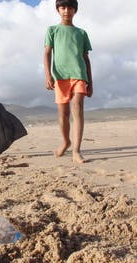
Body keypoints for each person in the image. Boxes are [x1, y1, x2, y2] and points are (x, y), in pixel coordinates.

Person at [44, 0, 93, 163]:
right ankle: (66, 142)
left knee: (77, 107)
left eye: (70, 7)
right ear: (58, 9)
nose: (67, 11)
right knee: (63, 114)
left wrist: (90, 82)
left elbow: (86, 58)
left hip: (79, 74)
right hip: (60, 76)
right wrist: (48, 75)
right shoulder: (52, 30)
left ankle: (76, 151)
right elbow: (47, 54)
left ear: (75, 10)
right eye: (63, 7)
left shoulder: (81, 33)